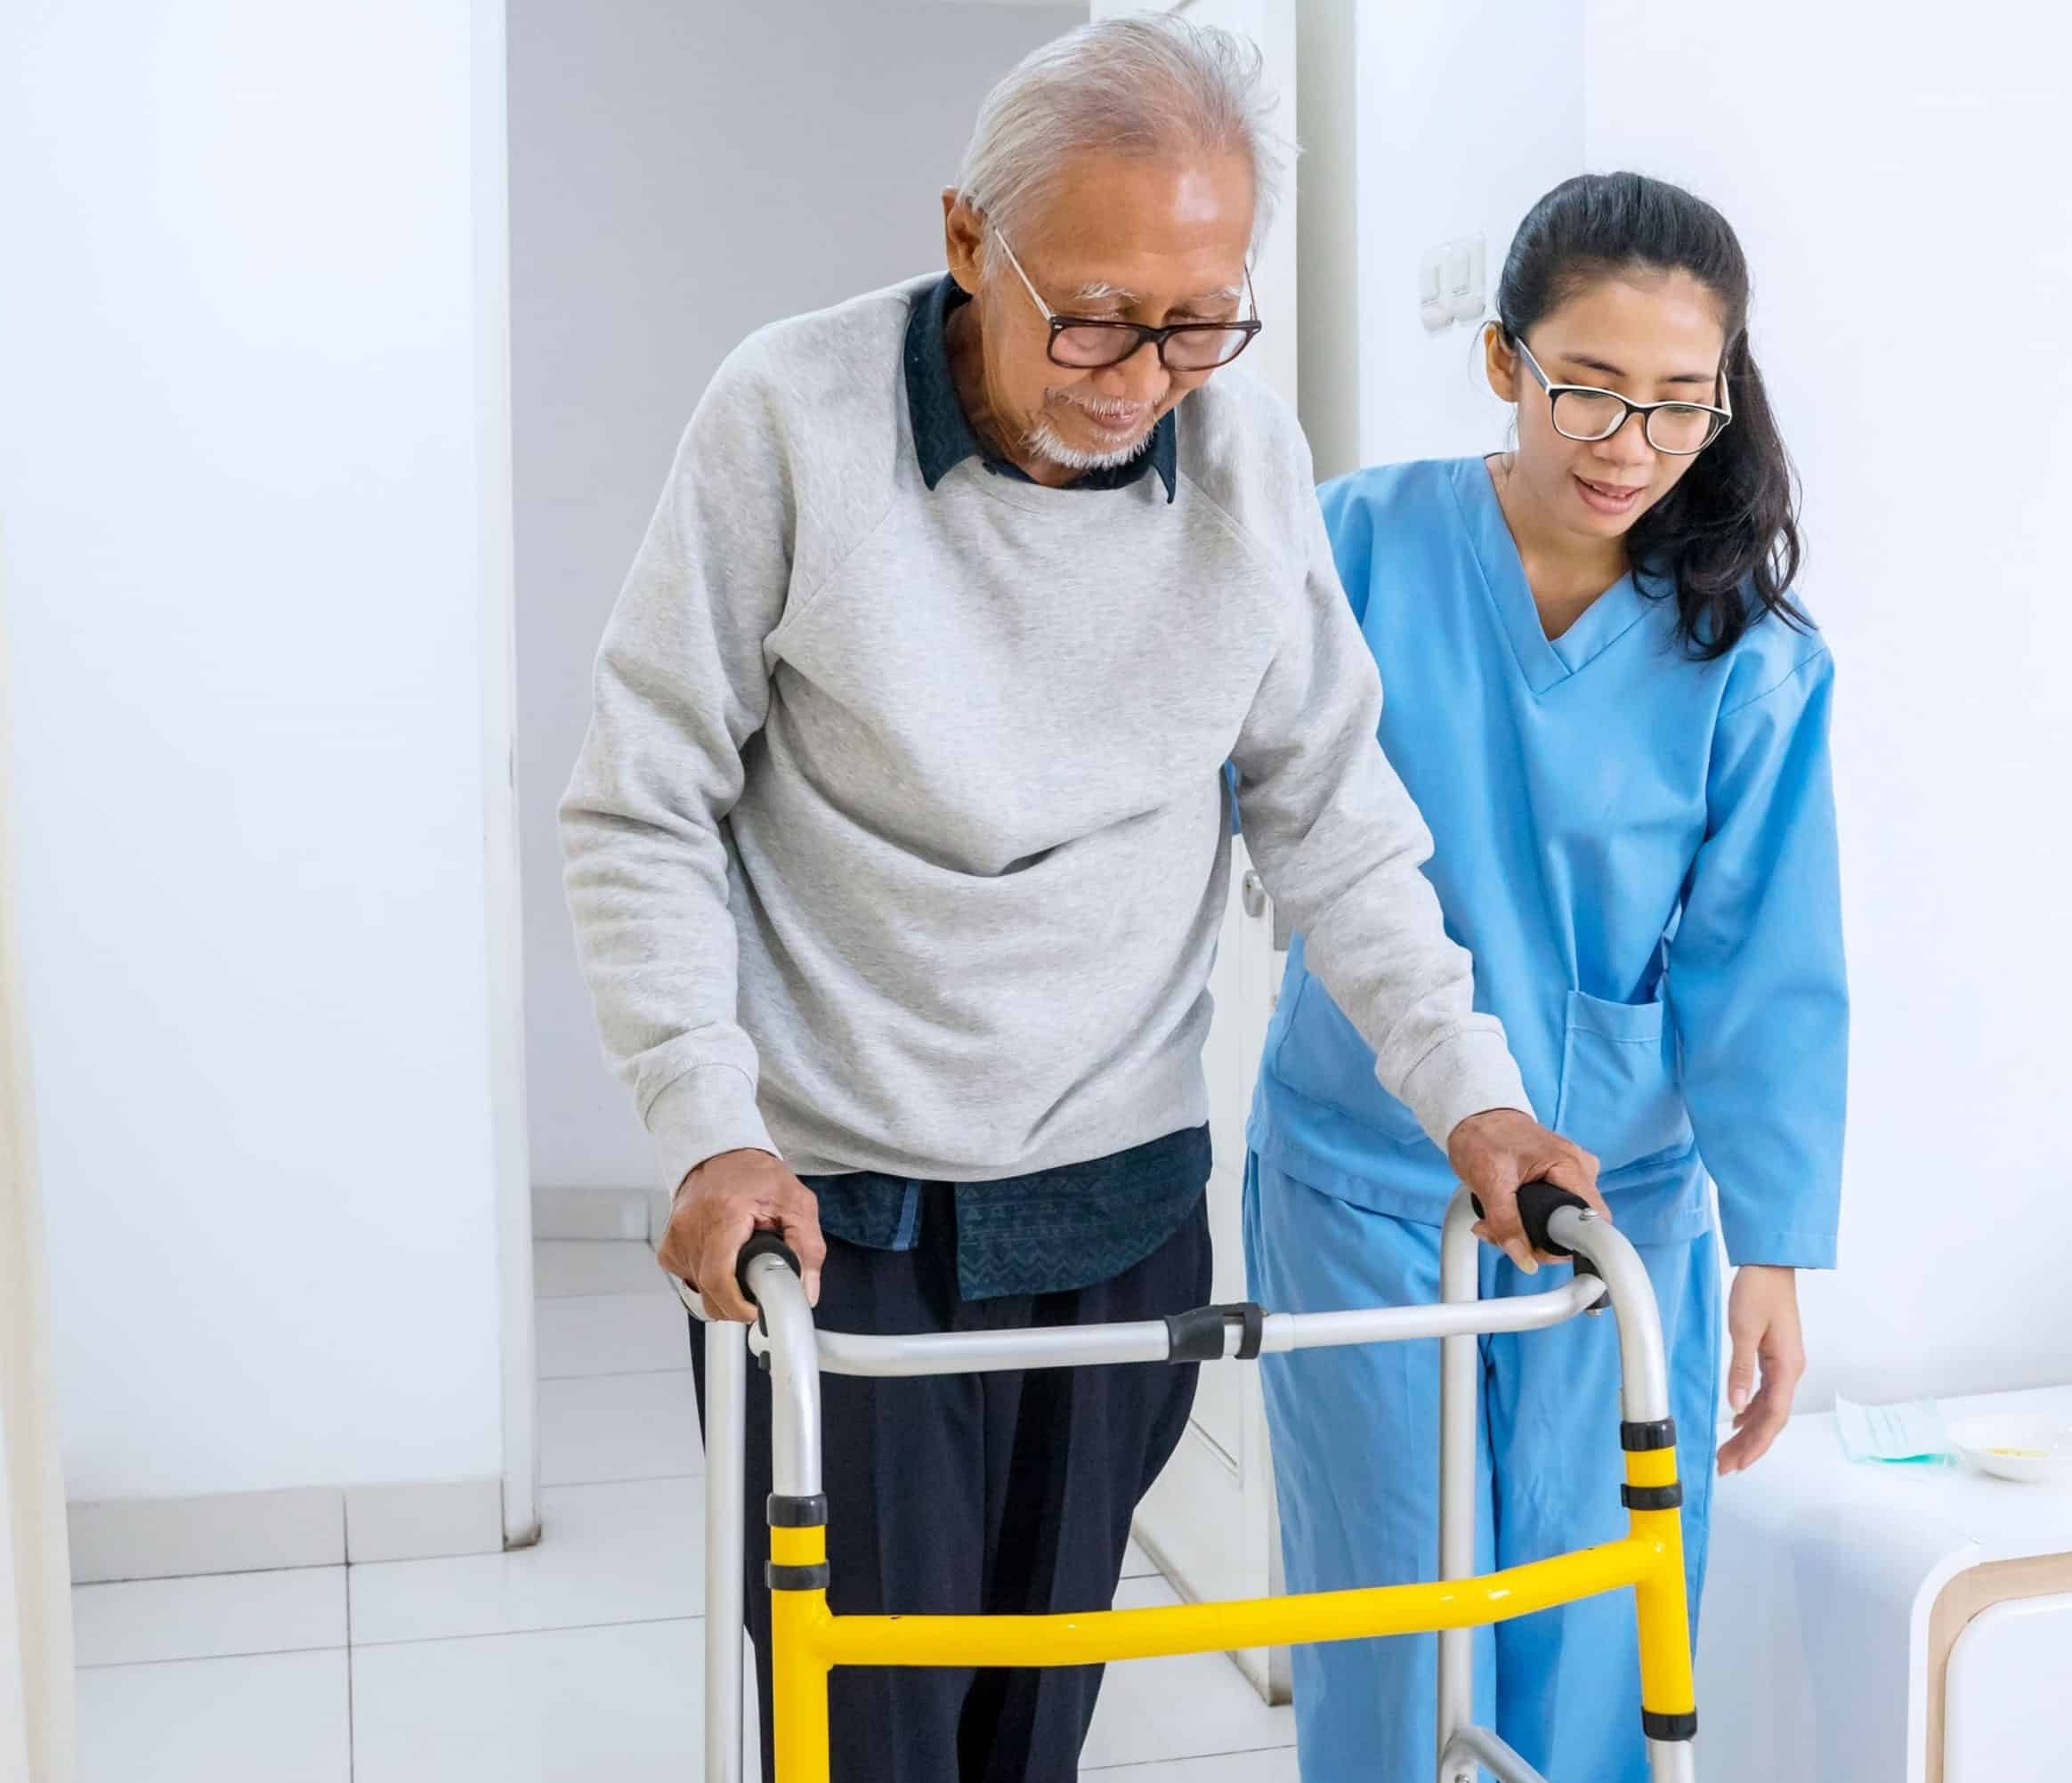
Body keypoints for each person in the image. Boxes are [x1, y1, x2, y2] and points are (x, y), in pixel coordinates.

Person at [559, 20, 1601, 1782]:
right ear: (971, 240)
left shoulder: (1245, 461)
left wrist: (1470, 1093)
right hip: (839, 1213)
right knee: (864, 1733)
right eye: (1098, 312)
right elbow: (640, 799)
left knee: (1033, 1721)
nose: (1139, 375)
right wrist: (702, 1125)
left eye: (1199, 320)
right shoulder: (788, 419)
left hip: (1113, 1206)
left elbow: (1329, 812)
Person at [1244, 170, 1848, 1783]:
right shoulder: (1354, 547)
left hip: (1622, 1208)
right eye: (1588, 388)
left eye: (1676, 405)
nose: (1626, 445)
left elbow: (1766, 971)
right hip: (1365, 1179)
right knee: (1393, 1610)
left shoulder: (1752, 659)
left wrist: (1775, 1252)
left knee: (1598, 1623)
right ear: (1505, 360)